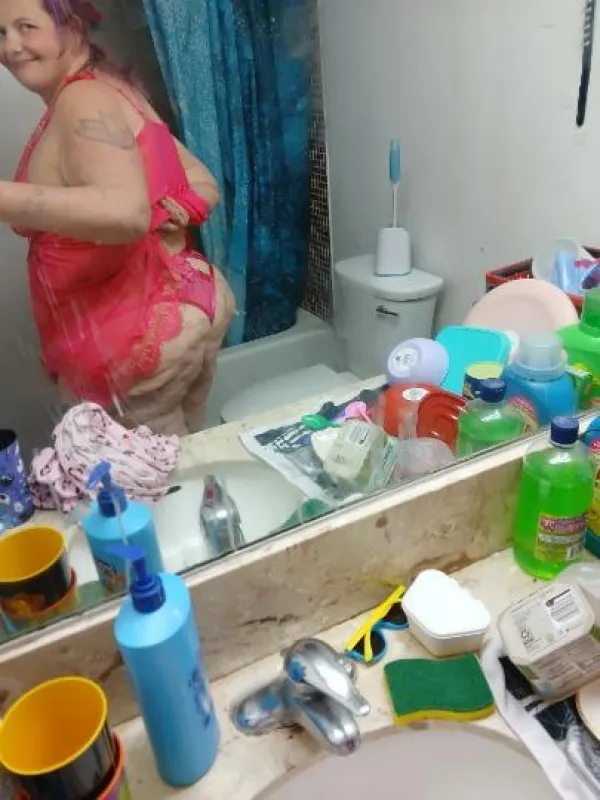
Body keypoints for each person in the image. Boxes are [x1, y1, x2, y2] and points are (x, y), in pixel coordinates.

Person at [0, 0, 235, 436]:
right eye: (0, 33)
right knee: (188, 451)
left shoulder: (82, 98)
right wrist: (176, 209)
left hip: (137, 325)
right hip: (191, 293)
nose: (11, 47)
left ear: (72, 25)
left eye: (26, 27)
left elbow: (126, 214)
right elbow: (202, 181)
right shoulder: (114, 89)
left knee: (152, 472)